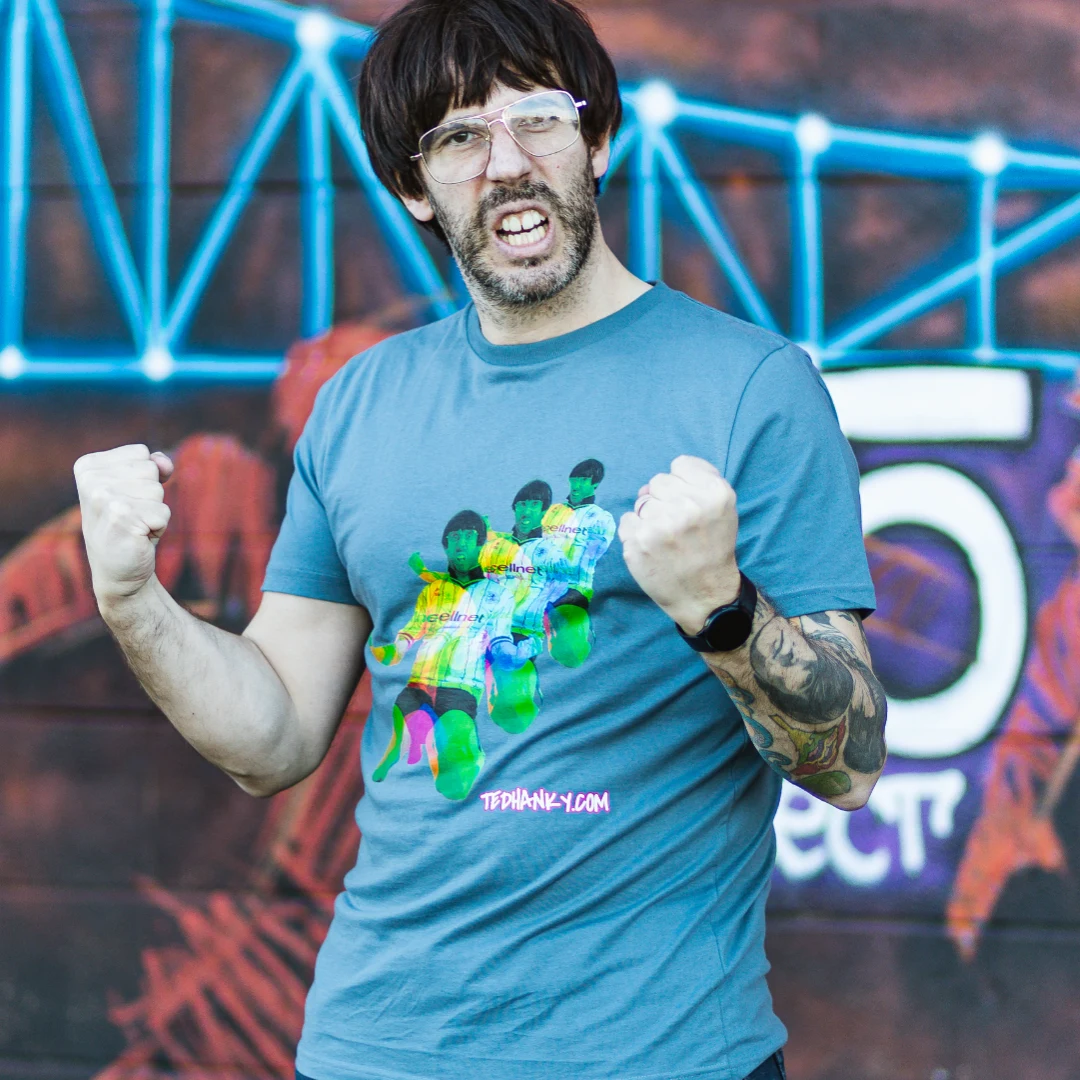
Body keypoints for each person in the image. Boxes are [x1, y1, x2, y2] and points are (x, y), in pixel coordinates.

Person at [72, 1, 887, 1078]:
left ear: (599, 138)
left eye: (539, 118)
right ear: (415, 187)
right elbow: (273, 739)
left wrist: (721, 610)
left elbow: (850, 765)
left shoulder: (752, 389)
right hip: (373, 1051)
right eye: (458, 136)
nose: (507, 163)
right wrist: (132, 600)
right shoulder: (358, 405)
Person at [370, 509, 531, 800]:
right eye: (454, 537)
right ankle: (401, 746)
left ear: (480, 544)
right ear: (445, 545)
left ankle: (464, 752)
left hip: (461, 684)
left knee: (455, 768)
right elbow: (414, 629)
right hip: (421, 680)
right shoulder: (433, 591)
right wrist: (396, 650)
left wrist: (514, 655)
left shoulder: (497, 594)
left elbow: (499, 639)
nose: (461, 542)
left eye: (469, 536)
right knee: (401, 721)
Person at [542, 457, 616, 666]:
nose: (577, 485)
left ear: (595, 484)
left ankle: (583, 635)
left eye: (583, 480)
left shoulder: (601, 518)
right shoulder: (552, 512)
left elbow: (591, 555)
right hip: (540, 588)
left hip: (574, 589)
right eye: (574, 479)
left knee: (569, 654)